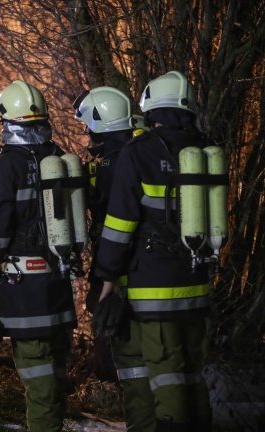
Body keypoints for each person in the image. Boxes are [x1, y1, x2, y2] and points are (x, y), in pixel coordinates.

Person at [94, 71, 213, 431]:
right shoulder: (207, 152)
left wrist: (106, 276)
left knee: (166, 374)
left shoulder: (139, 152)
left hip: (151, 287)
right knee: (192, 370)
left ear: (150, 108)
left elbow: (119, 225)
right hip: (196, 282)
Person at [0, 80, 79, 432]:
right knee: (55, 365)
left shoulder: (6, 167)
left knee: (36, 369)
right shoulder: (59, 159)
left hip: (23, 286)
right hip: (59, 280)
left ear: (5, 122)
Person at [73, 86, 155, 431]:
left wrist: (104, 278)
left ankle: (141, 420)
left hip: (121, 273)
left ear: (100, 124)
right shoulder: (141, 152)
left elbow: (113, 222)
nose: (86, 134)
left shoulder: (113, 163)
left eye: (88, 126)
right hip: (154, 268)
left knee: (129, 354)